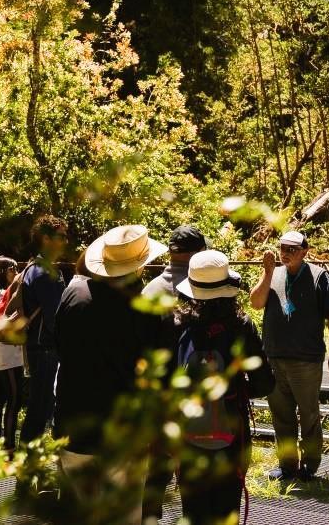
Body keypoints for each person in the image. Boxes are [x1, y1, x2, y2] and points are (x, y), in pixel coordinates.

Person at [53, 224, 167, 525]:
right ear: (141, 264)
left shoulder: (74, 294)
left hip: (73, 425)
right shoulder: (148, 309)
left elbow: (57, 347)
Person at [173, 250, 274, 524]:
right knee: (227, 508)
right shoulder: (240, 325)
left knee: (193, 511)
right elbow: (265, 382)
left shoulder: (176, 324)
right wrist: (236, 390)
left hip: (187, 433)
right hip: (231, 431)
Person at [248, 229, 329, 480]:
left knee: (309, 414)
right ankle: (287, 466)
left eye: (292, 249)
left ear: (304, 251)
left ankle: (310, 465)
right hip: (274, 357)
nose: (285, 253)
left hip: (306, 359)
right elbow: (255, 303)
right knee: (281, 414)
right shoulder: (273, 273)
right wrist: (267, 272)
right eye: (283, 248)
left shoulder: (319, 277)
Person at [141, 222, 207, 521]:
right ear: (198, 253)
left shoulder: (150, 289)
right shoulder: (200, 291)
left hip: (154, 395)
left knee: (155, 470)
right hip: (192, 397)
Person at [12, 215, 70, 444]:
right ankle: (28, 467)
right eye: (61, 236)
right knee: (41, 409)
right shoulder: (45, 273)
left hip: (37, 345)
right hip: (45, 347)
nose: (66, 241)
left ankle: (27, 464)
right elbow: (55, 317)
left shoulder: (32, 267)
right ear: (46, 238)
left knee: (39, 406)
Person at [0, 256, 25, 449]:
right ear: (3, 271)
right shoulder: (0, 295)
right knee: (14, 398)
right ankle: (8, 444)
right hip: (6, 353)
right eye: (12, 269)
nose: (16, 273)